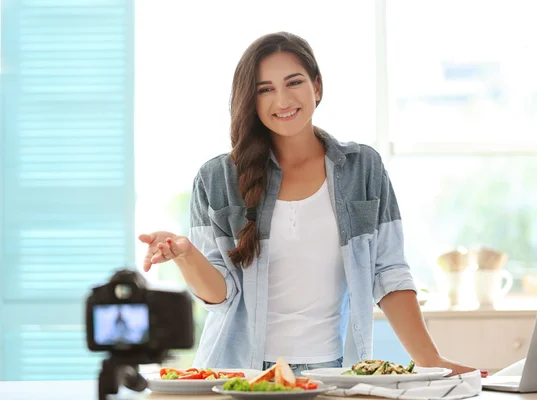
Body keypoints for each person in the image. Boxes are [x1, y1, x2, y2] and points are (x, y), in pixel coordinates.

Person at [139, 32, 477, 376]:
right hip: (237, 371)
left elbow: (388, 273)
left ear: (316, 86)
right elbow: (220, 296)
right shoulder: (217, 178)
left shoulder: (363, 169)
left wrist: (430, 362)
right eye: (265, 89)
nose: (282, 99)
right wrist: (185, 255)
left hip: (331, 371)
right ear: (251, 101)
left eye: (294, 82)